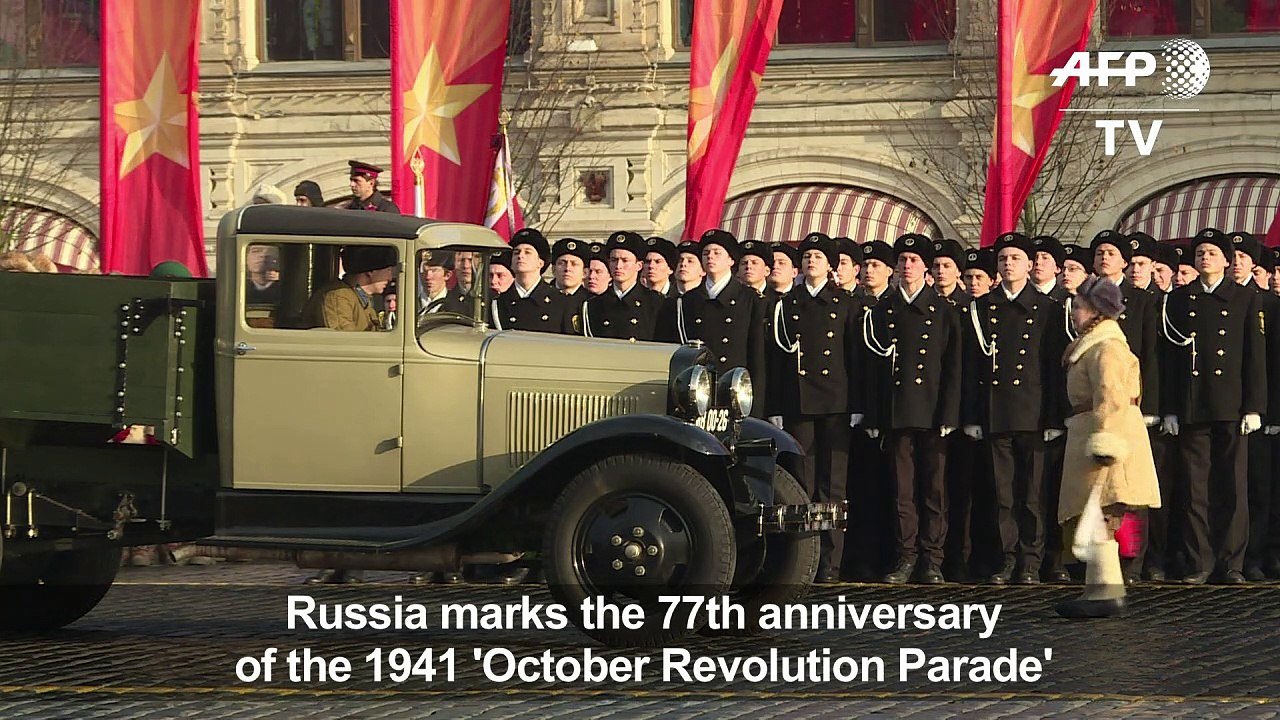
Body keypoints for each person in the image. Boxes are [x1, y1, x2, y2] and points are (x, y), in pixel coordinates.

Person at [1161, 228, 1267, 585]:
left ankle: (1231, 562)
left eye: (1212, 252)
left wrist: (1254, 406)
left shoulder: (1245, 298)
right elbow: (1171, 360)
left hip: (1232, 404)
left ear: (1226, 260)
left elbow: (1255, 355)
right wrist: (1171, 408)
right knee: (1196, 488)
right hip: (1194, 404)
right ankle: (1199, 561)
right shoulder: (1180, 299)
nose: (1204, 257)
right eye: (1200, 252)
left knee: (1233, 488)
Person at [962, 232, 1067, 585]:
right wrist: (974, 415)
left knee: (1034, 494)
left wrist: (1055, 416)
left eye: (1015, 259)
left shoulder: (1048, 308)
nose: (1008, 265)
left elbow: (1054, 366)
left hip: (1035, 412)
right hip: (997, 410)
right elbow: (973, 366)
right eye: (1003, 259)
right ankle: (1008, 558)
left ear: (1029, 265)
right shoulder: (982, 307)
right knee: (1004, 493)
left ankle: (1032, 561)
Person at [1055, 276, 1161, 618]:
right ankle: (1101, 590)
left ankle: (1105, 593)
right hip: (1091, 431)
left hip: (1105, 436)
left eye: (1081, 307)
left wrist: (1105, 441)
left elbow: (1112, 396)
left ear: (1097, 311)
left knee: (1100, 514)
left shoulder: (1107, 347)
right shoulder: (1096, 344)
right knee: (1096, 515)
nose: (1075, 313)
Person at [863, 234, 962, 585]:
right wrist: (875, 415)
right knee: (902, 490)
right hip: (897, 410)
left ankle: (932, 558)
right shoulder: (884, 310)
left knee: (934, 490)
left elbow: (953, 367)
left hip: (933, 411)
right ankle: (906, 555)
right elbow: (873, 369)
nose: (907, 266)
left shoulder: (945, 310)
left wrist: (950, 414)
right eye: (903, 260)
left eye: (914, 261)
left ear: (926, 268)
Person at [768, 232, 860, 582]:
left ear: (830, 265)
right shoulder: (786, 305)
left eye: (818, 257)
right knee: (801, 483)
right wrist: (775, 405)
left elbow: (854, 357)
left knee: (832, 484)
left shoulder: (845, 303)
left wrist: (857, 405)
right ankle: (803, 557)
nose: (811, 262)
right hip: (798, 402)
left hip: (836, 402)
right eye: (806, 256)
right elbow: (777, 359)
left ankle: (831, 562)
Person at [580, 231, 665, 341]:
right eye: (614, 260)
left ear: (639, 265)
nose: (618, 266)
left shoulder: (657, 304)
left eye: (625, 260)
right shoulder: (593, 305)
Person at [490, 228, 575, 334]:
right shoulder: (498, 304)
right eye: (516, 253)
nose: (521, 256)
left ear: (540, 262)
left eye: (527, 252)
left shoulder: (562, 303)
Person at [301, 245, 398, 332]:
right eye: (388, 270)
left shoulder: (360, 298)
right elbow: (345, 343)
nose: (389, 278)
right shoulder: (339, 297)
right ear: (370, 272)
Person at [552, 238, 590, 302]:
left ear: (584, 272)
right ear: (553, 269)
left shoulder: (592, 302)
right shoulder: (539, 298)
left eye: (574, 264)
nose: (567, 268)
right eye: (562, 263)